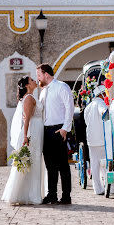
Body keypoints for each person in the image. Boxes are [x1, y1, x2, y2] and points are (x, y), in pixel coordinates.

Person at [2, 76, 45, 204]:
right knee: (33, 160)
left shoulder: (31, 97)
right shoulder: (29, 98)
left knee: (35, 161)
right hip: (33, 132)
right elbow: (26, 120)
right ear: (27, 85)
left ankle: (33, 194)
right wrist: (25, 136)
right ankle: (31, 196)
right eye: (32, 80)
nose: (34, 81)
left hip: (37, 130)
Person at [37, 63, 74, 205]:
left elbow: (69, 107)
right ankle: (51, 194)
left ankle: (66, 196)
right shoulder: (44, 91)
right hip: (46, 131)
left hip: (59, 130)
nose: (38, 78)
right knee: (50, 165)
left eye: (39, 75)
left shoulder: (62, 87)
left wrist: (65, 128)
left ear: (46, 74)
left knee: (63, 165)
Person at [83, 85, 108, 195]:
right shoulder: (100, 103)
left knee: (94, 164)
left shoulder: (88, 106)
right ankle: (108, 187)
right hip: (101, 138)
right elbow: (104, 113)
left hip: (91, 139)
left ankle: (97, 189)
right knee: (105, 164)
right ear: (101, 94)